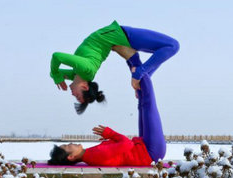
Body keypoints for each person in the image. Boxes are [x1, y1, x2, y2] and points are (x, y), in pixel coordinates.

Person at [48, 53, 166, 166]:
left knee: (143, 104)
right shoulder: (94, 155)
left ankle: (133, 60)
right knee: (148, 104)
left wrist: (110, 139)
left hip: (143, 148)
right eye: (68, 146)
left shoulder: (90, 154)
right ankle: (133, 59)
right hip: (150, 152)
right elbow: (127, 144)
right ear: (71, 157)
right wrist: (110, 134)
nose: (70, 143)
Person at [50, 20, 179, 114]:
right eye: (77, 96)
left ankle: (142, 74)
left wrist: (56, 76)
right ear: (84, 86)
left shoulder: (76, 73)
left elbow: (56, 61)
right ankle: (141, 74)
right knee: (173, 46)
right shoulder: (85, 69)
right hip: (121, 36)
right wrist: (56, 74)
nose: (72, 94)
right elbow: (57, 58)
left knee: (160, 55)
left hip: (115, 37)